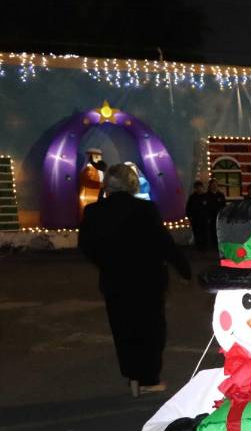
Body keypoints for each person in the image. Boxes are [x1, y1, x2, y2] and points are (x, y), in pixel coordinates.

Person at [79, 162, 191, 397]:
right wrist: (183, 270)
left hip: (113, 282)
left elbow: (86, 247)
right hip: (147, 281)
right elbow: (164, 243)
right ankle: (149, 378)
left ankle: (131, 376)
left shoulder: (93, 212)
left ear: (107, 184)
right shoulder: (145, 209)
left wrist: (106, 263)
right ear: (131, 183)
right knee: (151, 330)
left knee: (123, 330)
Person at [185, 181, 210, 250]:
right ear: (195, 188)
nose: (199, 189)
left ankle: (205, 247)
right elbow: (188, 208)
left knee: (205, 233)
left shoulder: (206, 196)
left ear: (202, 188)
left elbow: (209, 208)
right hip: (195, 219)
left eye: (200, 187)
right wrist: (190, 217)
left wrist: (208, 217)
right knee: (197, 233)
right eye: (197, 187)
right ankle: (199, 247)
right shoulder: (192, 197)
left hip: (204, 219)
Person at [204, 178, 227, 250]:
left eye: (215, 185)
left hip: (219, 217)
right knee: (212, 232)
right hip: (210, 217)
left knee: (220, 232)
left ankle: (220, 245)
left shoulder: (221, 195)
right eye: (212, 185)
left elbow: (224, 206)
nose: (214, 186)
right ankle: (213, 246)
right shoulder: (206, 195)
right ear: (210, 185)